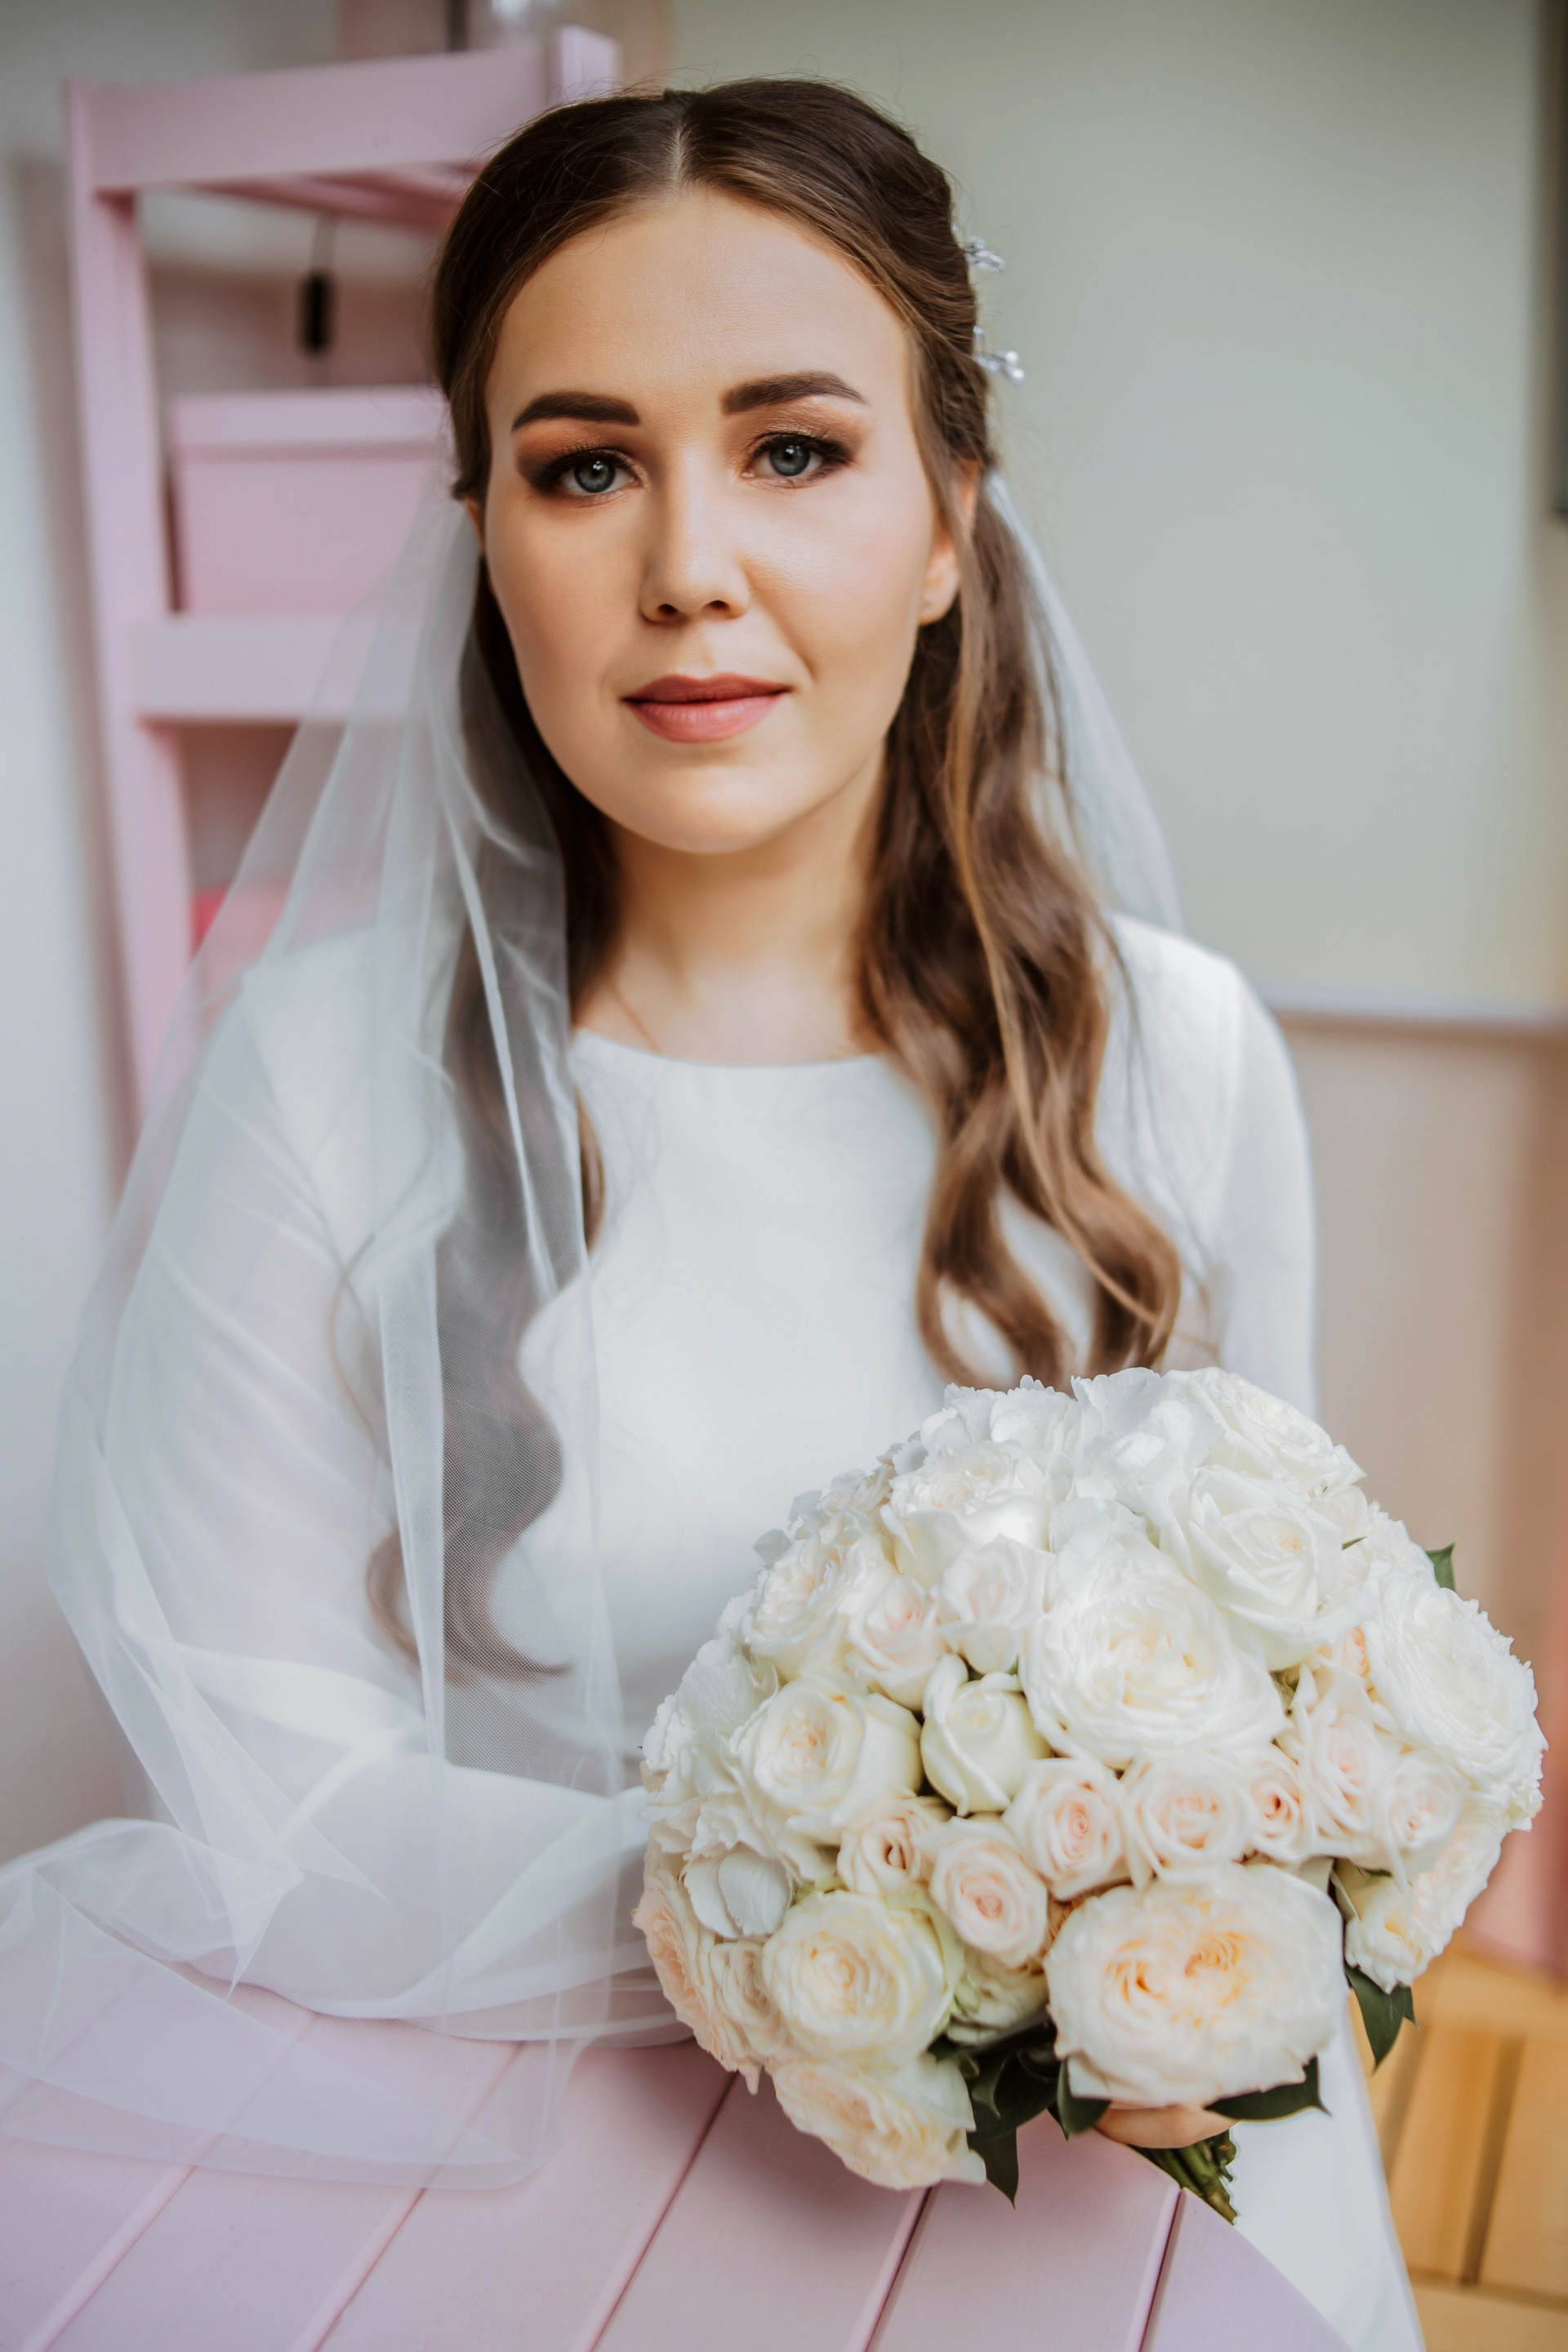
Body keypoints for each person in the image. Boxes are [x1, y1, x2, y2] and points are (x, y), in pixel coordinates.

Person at [2, 79, 1419, 2349]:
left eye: (794, 449)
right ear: (484, 533)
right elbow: (264, 1770)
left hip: (1067, 2149)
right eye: (585, 467)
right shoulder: (317, 1070)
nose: (687, 564)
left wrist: (1072, 1955)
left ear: (949, 517)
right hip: (490, 2121)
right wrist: (847, 1917)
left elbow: (1278, 1674)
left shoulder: (1183, 1058)